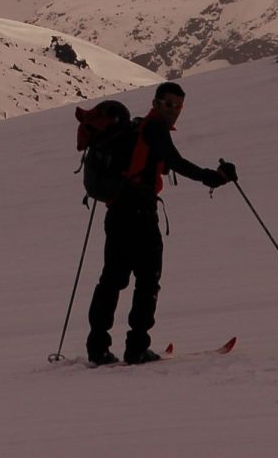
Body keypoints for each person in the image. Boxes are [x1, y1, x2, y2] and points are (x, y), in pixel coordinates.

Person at [85, 82, 237, 366]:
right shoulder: (153, 129)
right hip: (139, 213)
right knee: (147, 279)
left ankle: (98, 348)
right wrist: (214, 177)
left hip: (118, 212)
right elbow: (176, 162)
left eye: (178, 106)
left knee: (112, 280)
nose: (174, 111)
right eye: (168, 104)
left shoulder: (139, 129)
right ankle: (137, 348)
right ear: (155, 103)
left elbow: (157, 163)